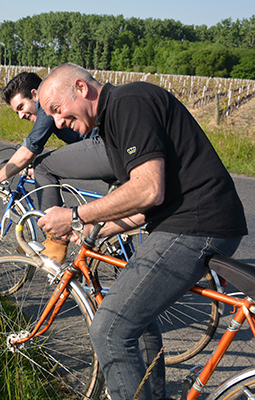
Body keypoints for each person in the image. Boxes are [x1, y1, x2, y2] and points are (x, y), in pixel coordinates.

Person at [37, 63, 247, 400]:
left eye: (57, 110)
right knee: (136, 320)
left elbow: (148, 190)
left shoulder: (128, 102)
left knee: (108, 330)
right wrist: (92, 227)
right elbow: (144, 207)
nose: (58, 123)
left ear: (80, 87)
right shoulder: (112, 121)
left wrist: (74, 213)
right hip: (191, 221)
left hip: (197, 225)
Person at [0, 72, 116, 263]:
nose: (20, 116)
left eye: (21, 107)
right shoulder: (50, 108)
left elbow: (30, 149)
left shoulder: (46, 104)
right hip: (110, 148)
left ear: (35, 95)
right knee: (114, 227)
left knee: (42, 165)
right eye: (16, 112)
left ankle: (56, 240)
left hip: (105, 147)